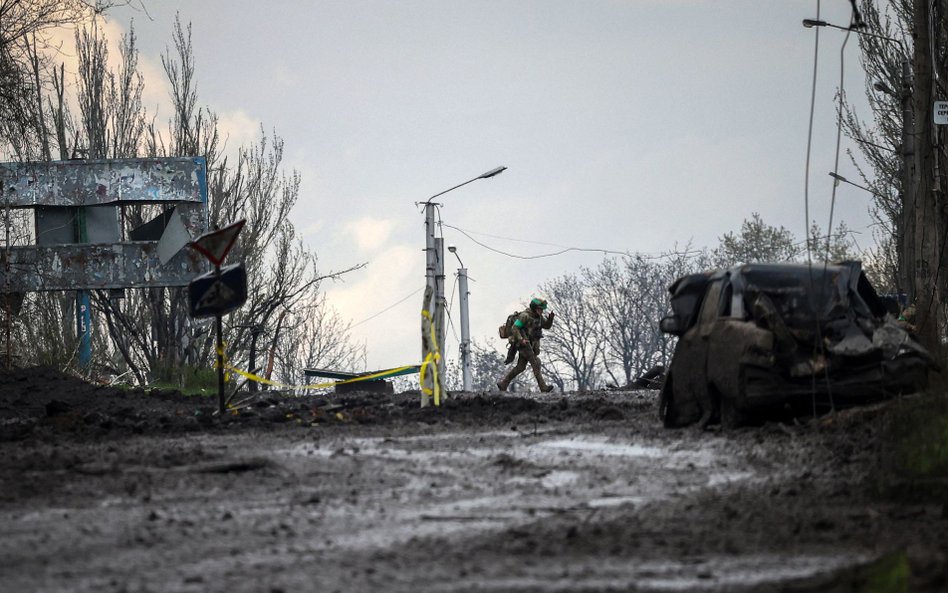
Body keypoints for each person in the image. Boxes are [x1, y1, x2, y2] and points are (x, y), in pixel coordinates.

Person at [497, 297, 555, 393]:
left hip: (531, 345)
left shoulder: (539, 318)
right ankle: (543, 387)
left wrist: (550, 319)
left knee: (520, 367)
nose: (541, 311)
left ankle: (503, 384)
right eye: (539, 309)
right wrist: (521, 339)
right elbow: (515, 328)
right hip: (524, 344)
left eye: (541, 309)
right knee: (536, 362)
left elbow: (546, 326)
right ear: (534, 308)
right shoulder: (525, 316)